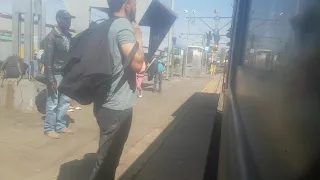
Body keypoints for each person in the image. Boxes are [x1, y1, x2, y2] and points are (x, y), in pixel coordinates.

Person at [89, 0, 145, 179]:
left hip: (104, 103)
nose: (136, 8)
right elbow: (138, 65)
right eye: (135, 3)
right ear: (126, 4)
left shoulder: (106, 24)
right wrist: (139, 36)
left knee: (107, 159)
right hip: (117, 108)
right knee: (106, 162)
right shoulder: (123, 25)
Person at [43, 10, 75, 139]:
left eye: (70, 19)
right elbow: (48, 59)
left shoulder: (68, 36)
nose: (69, 22)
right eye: (66, 19)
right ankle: (49, 128)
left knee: (65, 101)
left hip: (66, 73)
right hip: (56, 74)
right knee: (53, 102)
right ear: (58, 20)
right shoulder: (51, 37)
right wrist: (50, 78)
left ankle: (60, 126)